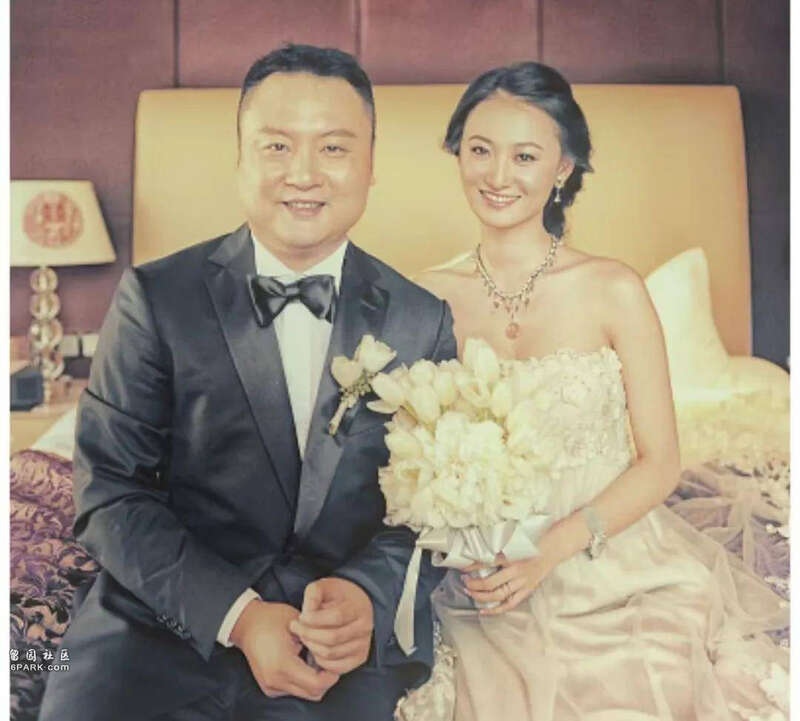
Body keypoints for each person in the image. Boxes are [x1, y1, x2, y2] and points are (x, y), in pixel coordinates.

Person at [39, 44, 456, 721]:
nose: (304, 174)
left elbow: (430, 511)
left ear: (371, 164)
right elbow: (110, 492)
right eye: (276, 146)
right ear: (239, 159)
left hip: (331, 644)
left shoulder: (421, 320)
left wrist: (366, 596)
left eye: (333, 148)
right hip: (158, 627)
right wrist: (239, 615)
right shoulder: (155, 298)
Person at [414, 62, 789, 721]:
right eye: (480, 150)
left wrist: (549, 551)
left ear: (562, 168)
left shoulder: (615, 289)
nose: (497, 175)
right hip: (482, 581)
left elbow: (660, 463)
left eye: (525, 156)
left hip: (616, 567)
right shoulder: (425, 298)